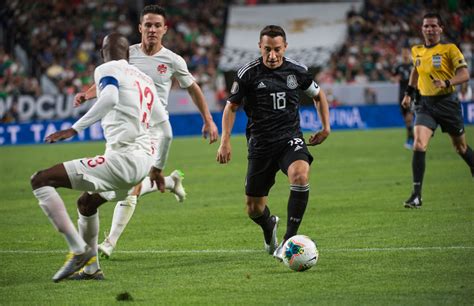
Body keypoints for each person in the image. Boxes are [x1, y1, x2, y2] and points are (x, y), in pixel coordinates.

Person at [75, 5, 219, 259]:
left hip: (153, 130)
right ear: (140, 28)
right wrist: (87, 94)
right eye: (148, 25)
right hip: (127, 127)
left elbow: (193, 88)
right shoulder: (126, 55)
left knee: (130, 185)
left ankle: (110, 242)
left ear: (165, 29)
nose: (152, 29)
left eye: (157, 25)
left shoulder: (173, 60)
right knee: (129, 181)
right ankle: (172, 181)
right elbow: (106, 79)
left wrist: (208, 119)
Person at [31, 33, 167, 282]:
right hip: (142, 162)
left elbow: (110, 97)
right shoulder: (144, 80)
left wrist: (75, 128)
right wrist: (157, 168)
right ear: (128, 53)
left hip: (122, 162)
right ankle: (92, 269)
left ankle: (78, 249)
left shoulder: (107, 68)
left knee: (40, 180)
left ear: (103, 51)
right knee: (87, 204)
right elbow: (165, 130)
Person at [216, 25, 330, 261]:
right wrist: (225, 140)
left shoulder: (297, 71)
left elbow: (318, 96)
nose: (272, 55)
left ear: (285, 47)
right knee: (254, 209)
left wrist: (325, 127)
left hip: (290, 138)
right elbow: (231, 107)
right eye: (267, 49)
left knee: (300, 175)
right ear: (260, 46)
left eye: (277, 49)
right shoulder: (248, 73)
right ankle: (269, 226)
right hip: (260, 145)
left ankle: (289, 242)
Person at [401, 13, 473, 209]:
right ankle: (416, 195)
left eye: (433, 26)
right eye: (426, 26)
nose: (429, 29)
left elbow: (465, 74)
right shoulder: (416, 50)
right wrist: (408, 93)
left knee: (461, 148)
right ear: (422, 29)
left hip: (447, 103)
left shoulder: (449, 49)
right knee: (418, 144)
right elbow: (415, 72)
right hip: (425, 104)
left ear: (440, 28)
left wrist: (447, 82)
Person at [392, 47, 415, 149]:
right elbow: (392, 78)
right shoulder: (398, 66)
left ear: (409, 54)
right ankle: (411, 138)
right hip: (401, 95)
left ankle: (411, 140)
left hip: (412, 95)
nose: (405, 55)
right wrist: (395, 79)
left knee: (410, 118)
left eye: (407, 53)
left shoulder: (413, 65)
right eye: (403, 53)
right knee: (406, 120)